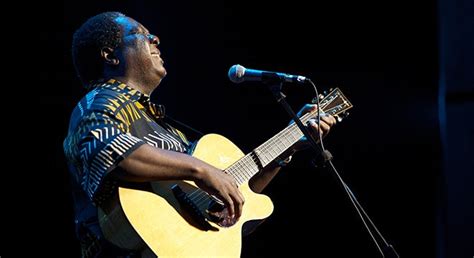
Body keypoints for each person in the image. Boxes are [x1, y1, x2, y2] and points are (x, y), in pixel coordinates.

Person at [63, 11, 336, 258]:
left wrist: (288, 143)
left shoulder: (167, 131)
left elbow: (232, 193)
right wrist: (201, 170)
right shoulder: (99, 101)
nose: (156, 38)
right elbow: (107, 151)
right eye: (141, 34)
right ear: (110, 55)